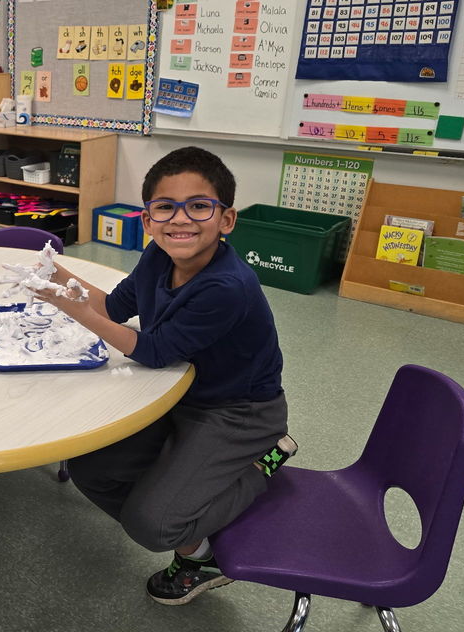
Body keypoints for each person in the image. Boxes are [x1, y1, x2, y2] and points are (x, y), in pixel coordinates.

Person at [35, 146, 295, 606]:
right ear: (148, 220)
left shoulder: (226, 286)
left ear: (226, 220)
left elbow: (151, 351)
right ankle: (184, 514)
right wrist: (56, 274)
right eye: (165, 207)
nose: (181, 220)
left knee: (152, 525)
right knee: (90, 469)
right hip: (177, 393)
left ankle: (260, 467)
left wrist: (71, 309)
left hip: (238, 413)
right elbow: (115, 307)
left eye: (199, 206)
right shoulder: (158, 257)